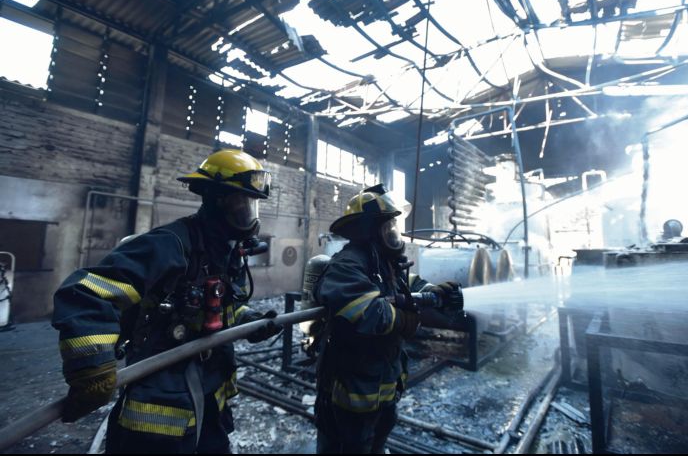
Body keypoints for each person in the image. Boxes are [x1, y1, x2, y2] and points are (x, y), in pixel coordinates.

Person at [52, 149, 282, 453]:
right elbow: (86, 292)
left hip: (209, 400)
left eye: (253, 205)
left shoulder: (224, 252)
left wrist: (248, 321)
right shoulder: (171, 244)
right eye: (243, 203)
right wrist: (92, 369)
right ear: (217, 199)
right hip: (157, 411)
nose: (249, 215)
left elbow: (223, 306)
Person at [313, 184, 464, 454]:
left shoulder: (383, 262)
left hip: (382, 385)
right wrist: (407, 319)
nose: (394, 232)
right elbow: (369, 313)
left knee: (377, 442)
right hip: (352, 396)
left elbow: (409, 285)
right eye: (388, 226)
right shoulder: (346, 265)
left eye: (394, 225)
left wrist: (435, 293)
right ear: (368, 230)